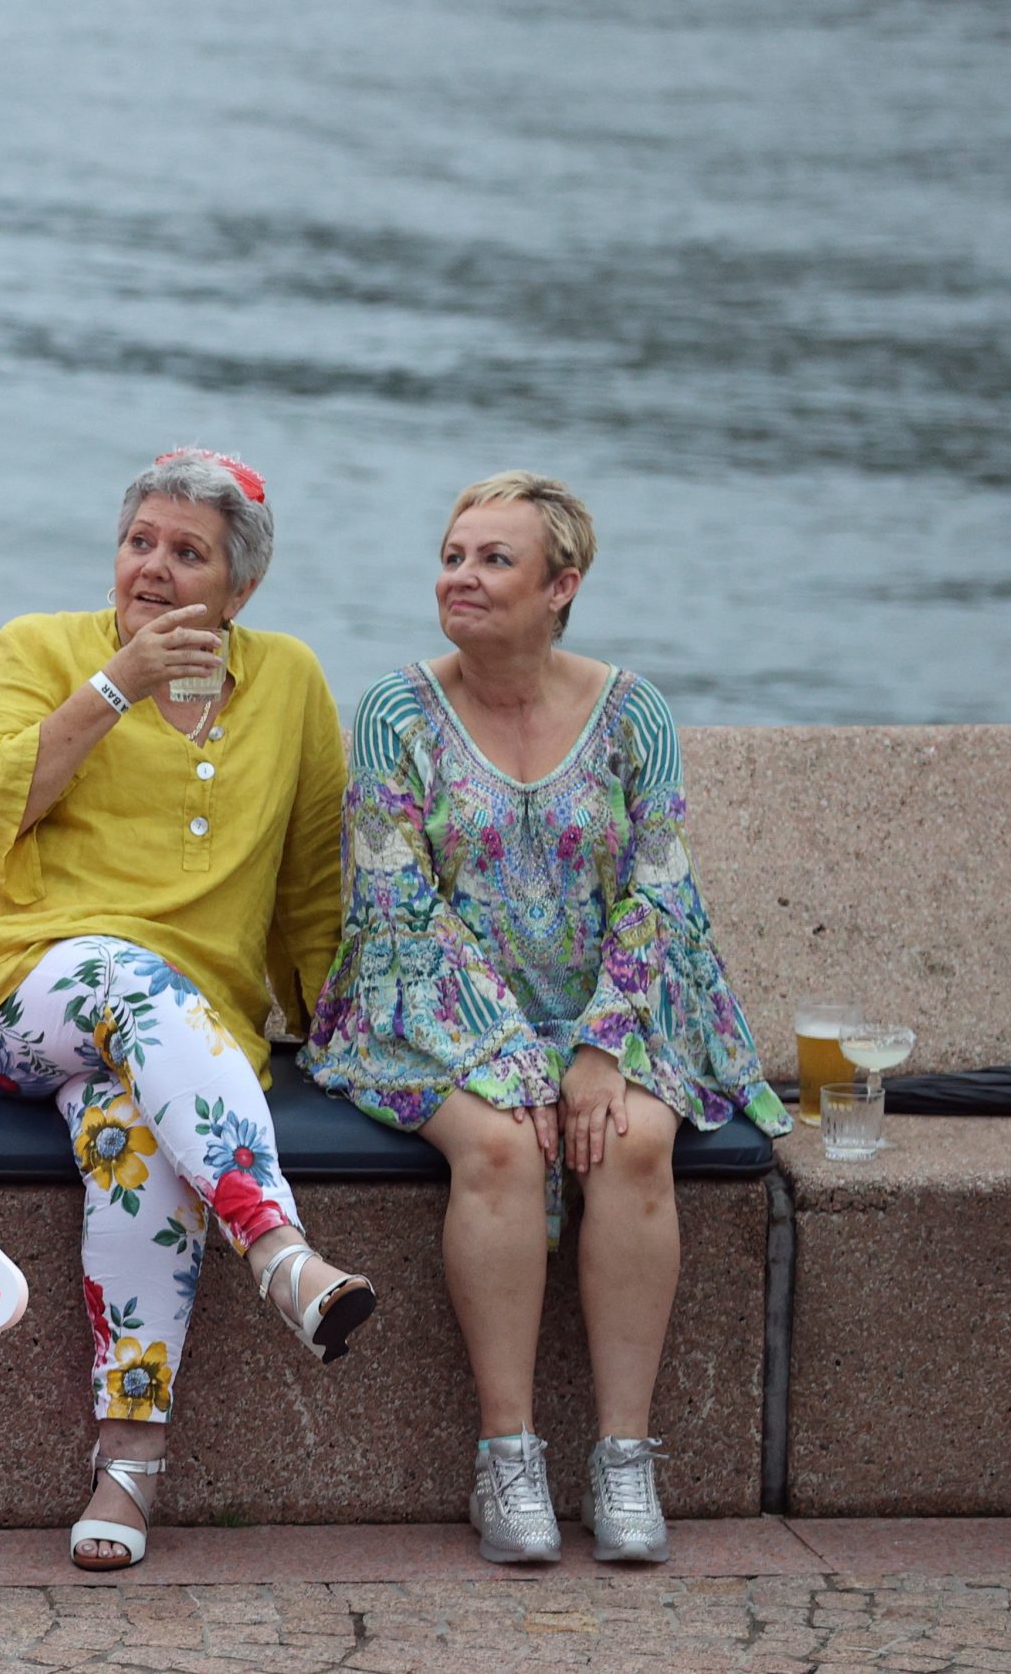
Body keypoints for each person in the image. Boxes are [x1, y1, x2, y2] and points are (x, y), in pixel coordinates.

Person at [0, 449, 378, 1572]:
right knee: (122, 972)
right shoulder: (41, 648)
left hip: (172, 1040)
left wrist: (351, 1038)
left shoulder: (288, 683)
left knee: (134, 1140)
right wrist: (116, 686)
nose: (152, 565)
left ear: (237, 591)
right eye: (140, 540)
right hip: (1, 990)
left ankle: (127, 1467)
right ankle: (278, 1247)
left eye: (186, 552)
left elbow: (309, 893)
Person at [305, 470, 787, 1567]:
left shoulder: (634, 712)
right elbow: (396, 910)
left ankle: (622, 1456)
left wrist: (599, 1044)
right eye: (452, 555)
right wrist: (517, 1056)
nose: (459, 577)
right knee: (499, 1142)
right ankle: (506, 1452)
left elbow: (661, 893)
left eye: (492, 559)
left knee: (635, 1142)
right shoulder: (394, 714)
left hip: (621, 1000)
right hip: (427, 1003)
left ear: (561, 585)